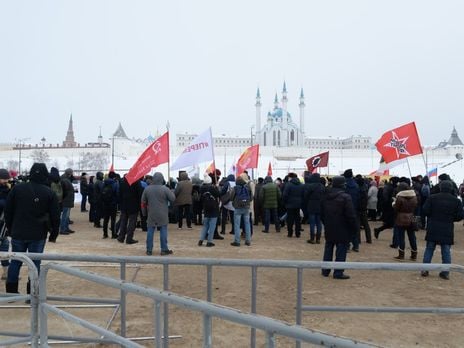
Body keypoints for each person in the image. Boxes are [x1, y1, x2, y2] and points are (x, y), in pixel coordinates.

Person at [4, 163, 60, 294]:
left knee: (16, 262)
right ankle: (32, 294)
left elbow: (8, 211)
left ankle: (11, 292)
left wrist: (11, 228)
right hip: (38, 233)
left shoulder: (17, 189)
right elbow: (55, 216)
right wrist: (54, 234)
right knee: (35, 263)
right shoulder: (49, 192)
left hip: (18, 231)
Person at [421, 180, 464, 279]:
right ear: (451, 189)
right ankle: (445, 272)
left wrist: (432, 216)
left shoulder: (432, 198)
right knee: (446, 251)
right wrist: (451, 218)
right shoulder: (456, 200)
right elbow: (460, 215)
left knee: (429, 249)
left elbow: (425, 210)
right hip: (447, 227)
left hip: (433, 226)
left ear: (440, 188)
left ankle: (425, 269)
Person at [320, 176, 357, 280]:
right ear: (343, 185)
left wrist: (326, 223)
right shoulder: (346, 197)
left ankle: (325, 270)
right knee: (341, 250)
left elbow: (322, 213)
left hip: (329, 226)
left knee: (328, 248)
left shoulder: (326, 196)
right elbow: (351, 215)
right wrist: (354, 228)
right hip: (343, 227)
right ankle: (338, 272)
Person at [141, 172, 176, 256]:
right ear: (162, 179)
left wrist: (144, 213)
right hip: (163, 213)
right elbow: (173, 199)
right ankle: (164, 249)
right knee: (163, 230)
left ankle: (149, 250)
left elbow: (143, 202)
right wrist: (171, 191)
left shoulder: (147, 189)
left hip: (151, 213)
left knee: (150, 230)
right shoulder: (165, 189)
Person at [392, 181, 418, 261]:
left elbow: (396, 208)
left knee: (401, 237)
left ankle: (401, 255)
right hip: (411, 217)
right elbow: (415, 207)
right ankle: (414, 254)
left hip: (401, 218)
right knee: (412, 236)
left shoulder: (399, 197)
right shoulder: (414, 197)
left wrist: (393, 203)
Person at [117, 176, 143, 244]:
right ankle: (129, 238)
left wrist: (120, 204)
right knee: (132, 222)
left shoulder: (122, 182)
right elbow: (140, 193)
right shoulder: (136, 182)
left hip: (124, 205)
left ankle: (121, 237)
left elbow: (119, 194)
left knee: (123, 221)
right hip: (133, 205)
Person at [230, 173, 252, 246]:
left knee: (237, 225)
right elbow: (251, 197)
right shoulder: (248, 187)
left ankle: (237, 241)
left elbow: (231, 197)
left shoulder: (235, 188)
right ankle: (248, 241)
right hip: (246, 207)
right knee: (247, 224)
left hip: (238, 208)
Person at [198, 174, 220, 247]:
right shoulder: (212, 188)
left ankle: (201, 240)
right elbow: (218, 194)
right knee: (212, 226)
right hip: (214, 209)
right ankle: (209, 241)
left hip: (206, 208)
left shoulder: (201, 188)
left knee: (205, 226)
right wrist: (217, 187)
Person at [303, 173, 324, 244]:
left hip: (311, 205)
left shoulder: (310, 186)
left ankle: (312, 239)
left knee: (312, 223)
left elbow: (306, 196)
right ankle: (318, 239)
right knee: (319, 223)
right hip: (320, 206)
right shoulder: (322, 186)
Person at [282, 173, 304, 238]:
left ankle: (290, 233)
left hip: (290, 205)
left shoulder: (289, 185)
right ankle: (298, 233)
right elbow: (303, 195)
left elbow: (285, 195)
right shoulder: (301, 185)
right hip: (298, 205)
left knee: (290, 220)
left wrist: (285, 202)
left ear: (290, 177)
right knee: (297, 220)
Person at [0, 168, 11, 280]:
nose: (6, 181)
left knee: (4, 246)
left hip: (3, 225)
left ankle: (6, 272)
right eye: (3, 179)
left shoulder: (7, 190)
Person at [59, 168, 75, 235]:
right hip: (66, 200)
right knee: (65, 216)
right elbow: (64, 190)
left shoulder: (65, 178)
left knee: (66, 216)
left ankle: (66, 228)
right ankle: (63, 229)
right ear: (69, 173)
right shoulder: (64, 179)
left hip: (67, 199)